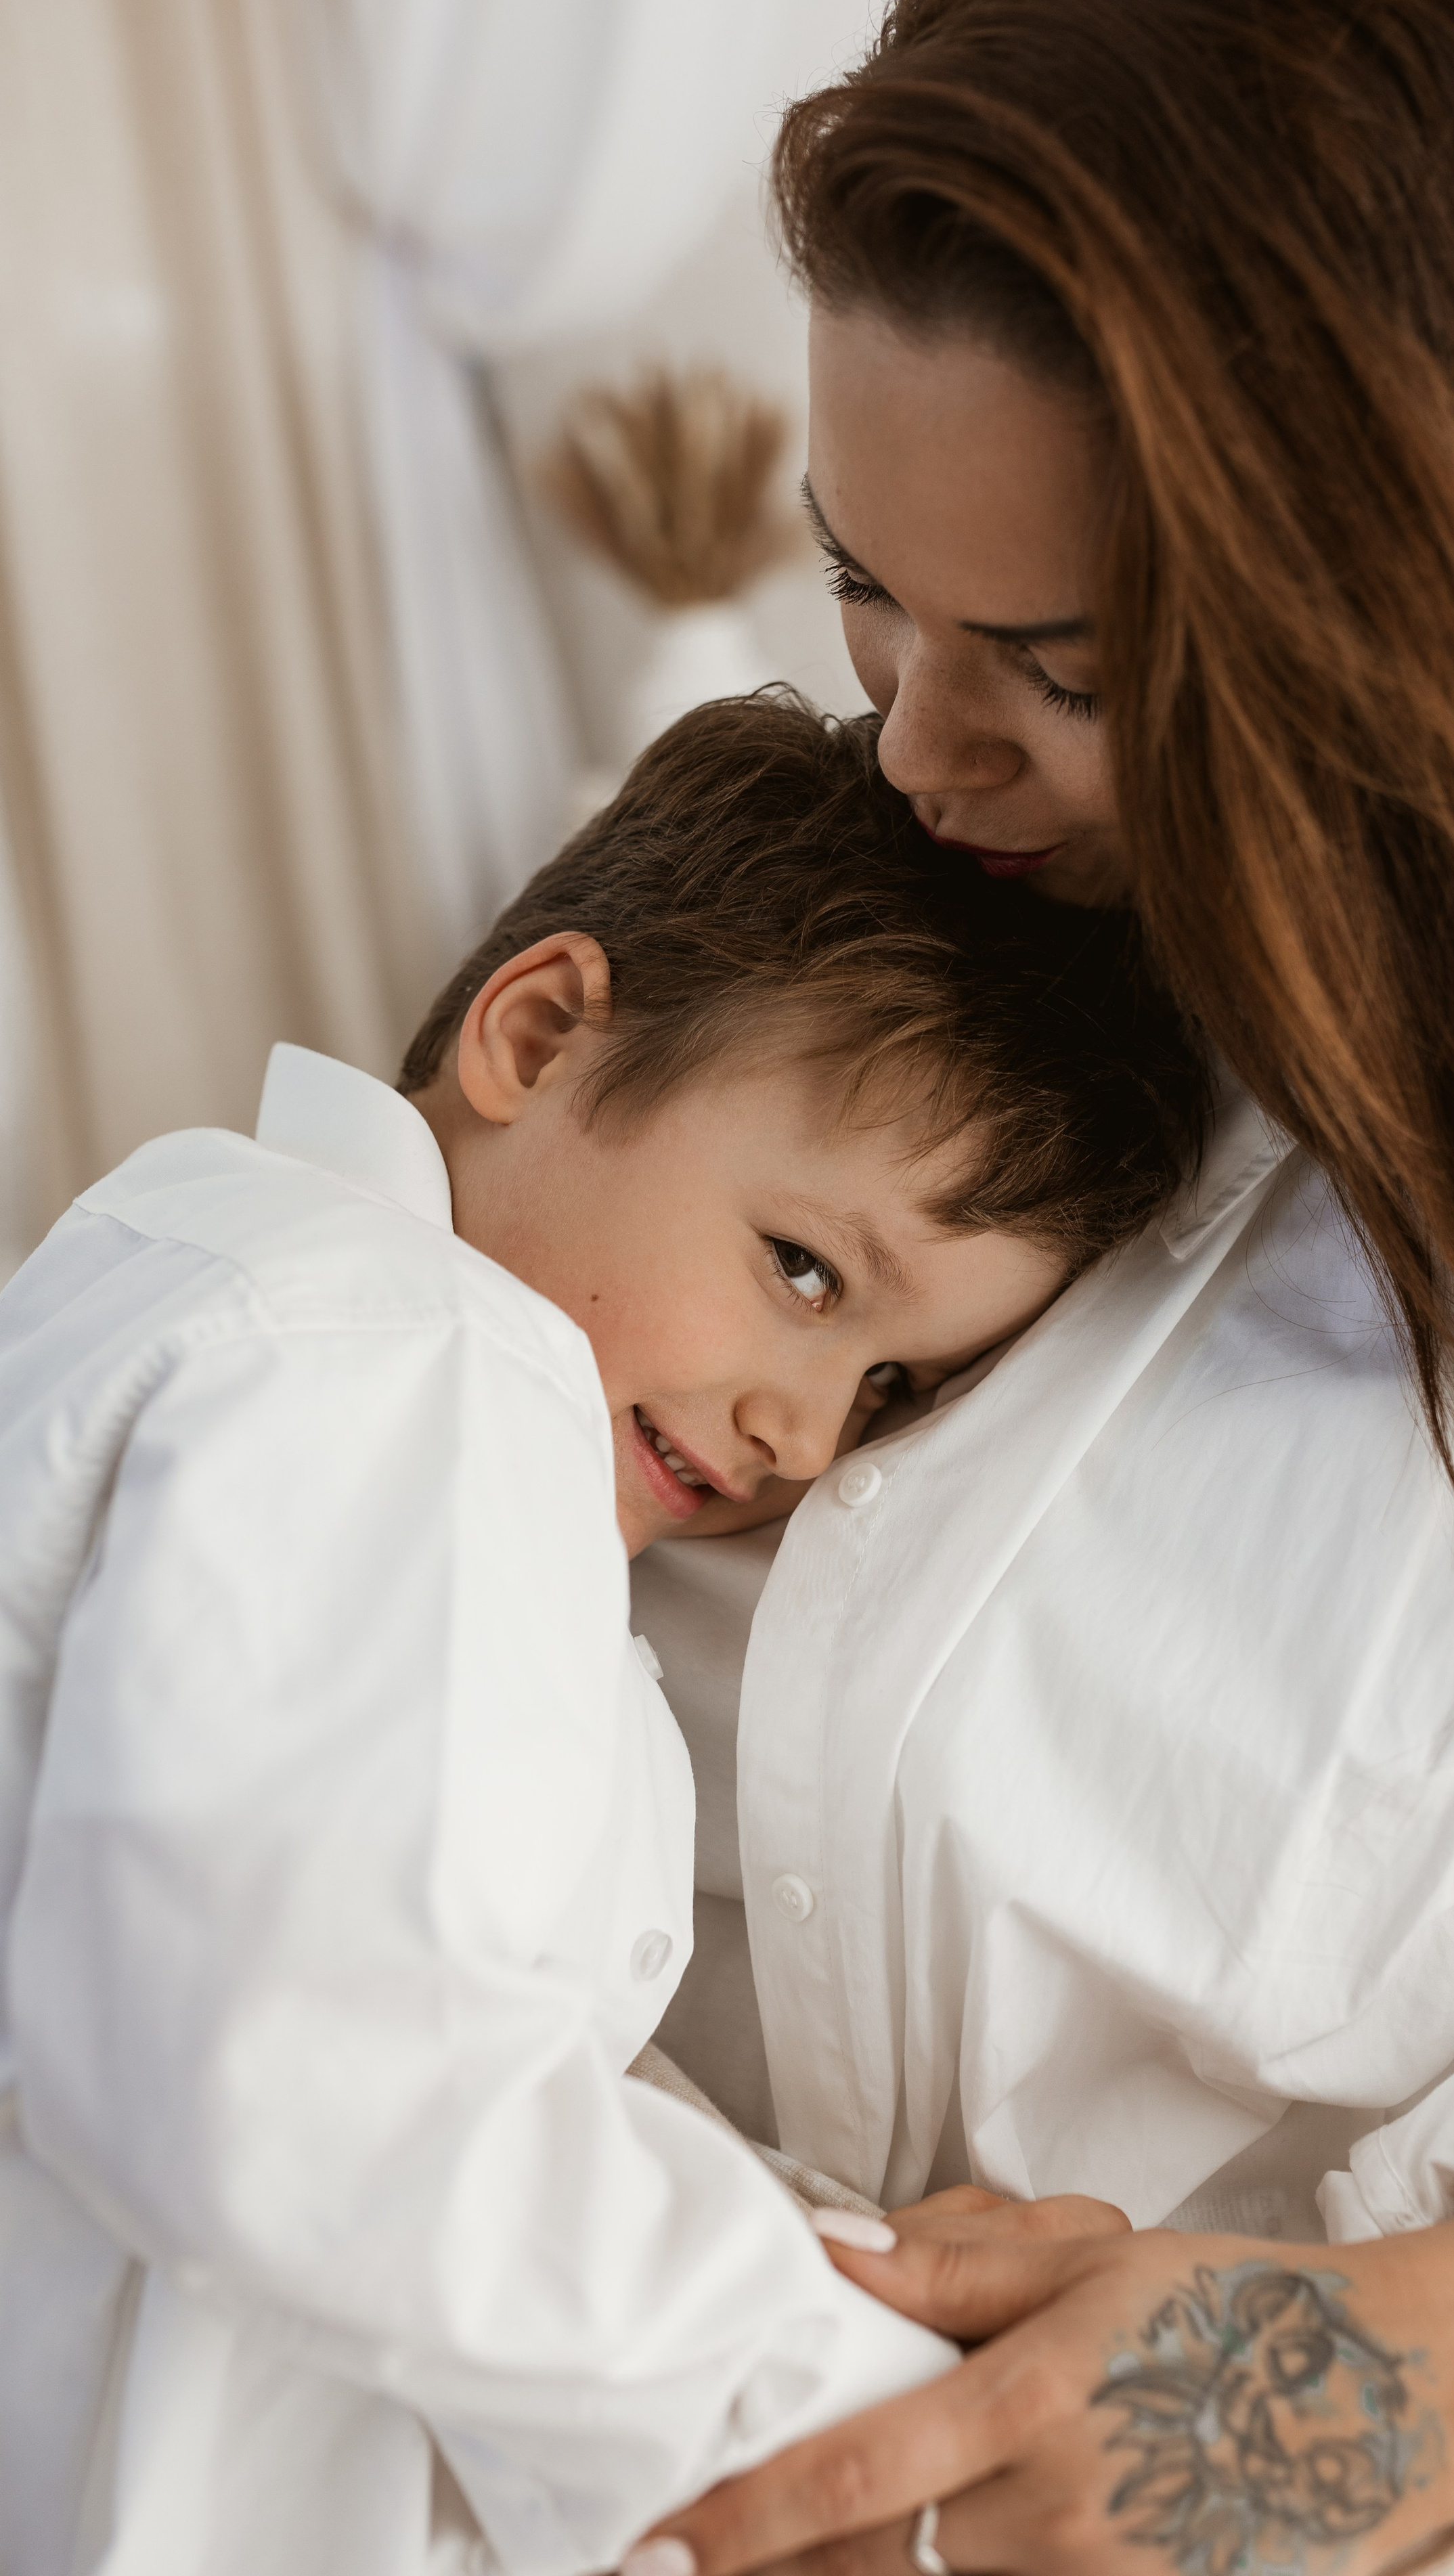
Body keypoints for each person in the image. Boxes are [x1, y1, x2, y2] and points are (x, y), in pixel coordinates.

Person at [613, 0, 1454, 2573]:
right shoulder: (765, 975)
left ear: (1435, 618)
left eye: (1072, 670)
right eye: (866, 588)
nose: (914, 749)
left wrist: (1447, 2356)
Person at [0, 693, 1210, 2576]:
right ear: (541, 1032)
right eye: (802, 1271)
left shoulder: (196, 1271)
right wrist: (888, 2393)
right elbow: (309, 2082)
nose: (802, 1434)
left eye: (887, 1388)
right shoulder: (414, 1358)